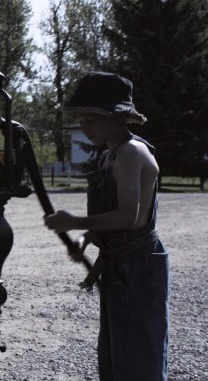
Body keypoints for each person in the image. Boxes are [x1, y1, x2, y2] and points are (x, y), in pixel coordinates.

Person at [43, 72, 168, 381]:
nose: (85, 127)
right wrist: (89, 236)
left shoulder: (130, 152)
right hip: (120, 264)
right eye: (81, 120)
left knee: (138, 356)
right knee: (116, 355)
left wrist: (75, 222)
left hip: (138, 265)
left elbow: (130, 217)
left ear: (118, 116)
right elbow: (112, 214)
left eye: (92, 120)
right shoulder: (109, 155)